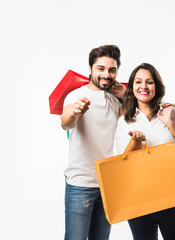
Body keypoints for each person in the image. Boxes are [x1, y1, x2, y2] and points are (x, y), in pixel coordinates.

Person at [114, 63, 175, 240]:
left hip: (173, 198)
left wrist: (170, 123)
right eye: (138, 82)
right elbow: (123, 162)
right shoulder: (124, 121)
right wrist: (135, 142)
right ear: (131, 88)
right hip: (139, 201)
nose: (143, 86)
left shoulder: (172, 113)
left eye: (149, 82)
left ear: (157, 87)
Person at [61, 45, 125, 240]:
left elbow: (134, 114)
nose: (106, 74)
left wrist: (125, 96)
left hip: (107, 185)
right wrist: (74, 112)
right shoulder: (76, 97)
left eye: (111, 70)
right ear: (90, 69)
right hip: (81, 184)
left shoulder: (114, 102)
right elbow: (66, 123)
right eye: (101, 68)